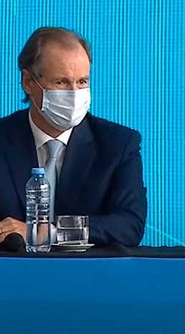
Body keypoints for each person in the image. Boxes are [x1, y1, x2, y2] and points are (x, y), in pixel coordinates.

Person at [0, 27, 147, 247]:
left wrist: (49, 233)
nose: (74, 93)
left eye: (82, 82)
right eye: (61, 82)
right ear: (28, 82)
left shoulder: (118, 144)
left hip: (86, 269)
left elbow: (129, 226)